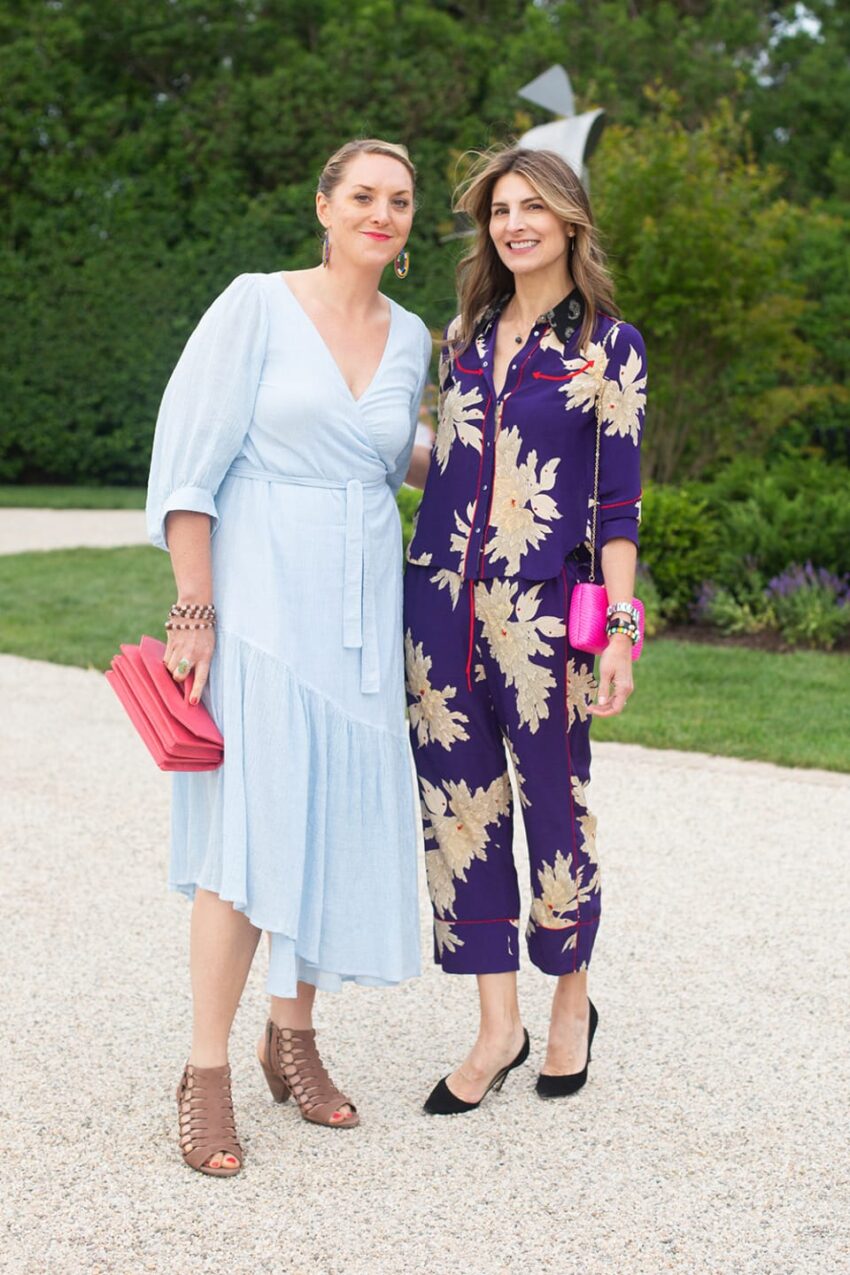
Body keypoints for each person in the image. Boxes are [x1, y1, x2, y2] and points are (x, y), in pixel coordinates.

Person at [146, 139, 432, 1174]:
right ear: (324, 205)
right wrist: (195, 610)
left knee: (328, 822)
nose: (381, 212)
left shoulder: (412, 337)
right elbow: (190, 467)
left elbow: (395, 457)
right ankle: (204, 1071)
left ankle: (293, 1036)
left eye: (400, 200)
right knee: (251, 834)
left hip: (361, 612)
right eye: (363, 194)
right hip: (263, 602)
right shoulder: (255, 305)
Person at [402, 146, 646, 1113]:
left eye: (533, 206)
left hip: (545, 615)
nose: (514, 224)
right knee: (459, 810)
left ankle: (571, 1002)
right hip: (439, 608)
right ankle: (496, 1026)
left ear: (571, 220)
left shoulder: (609, 348)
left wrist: (620, 627)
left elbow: (618, 504)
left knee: (556, 804)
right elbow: (451, 463)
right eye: (501, 209)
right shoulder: (462, 336)